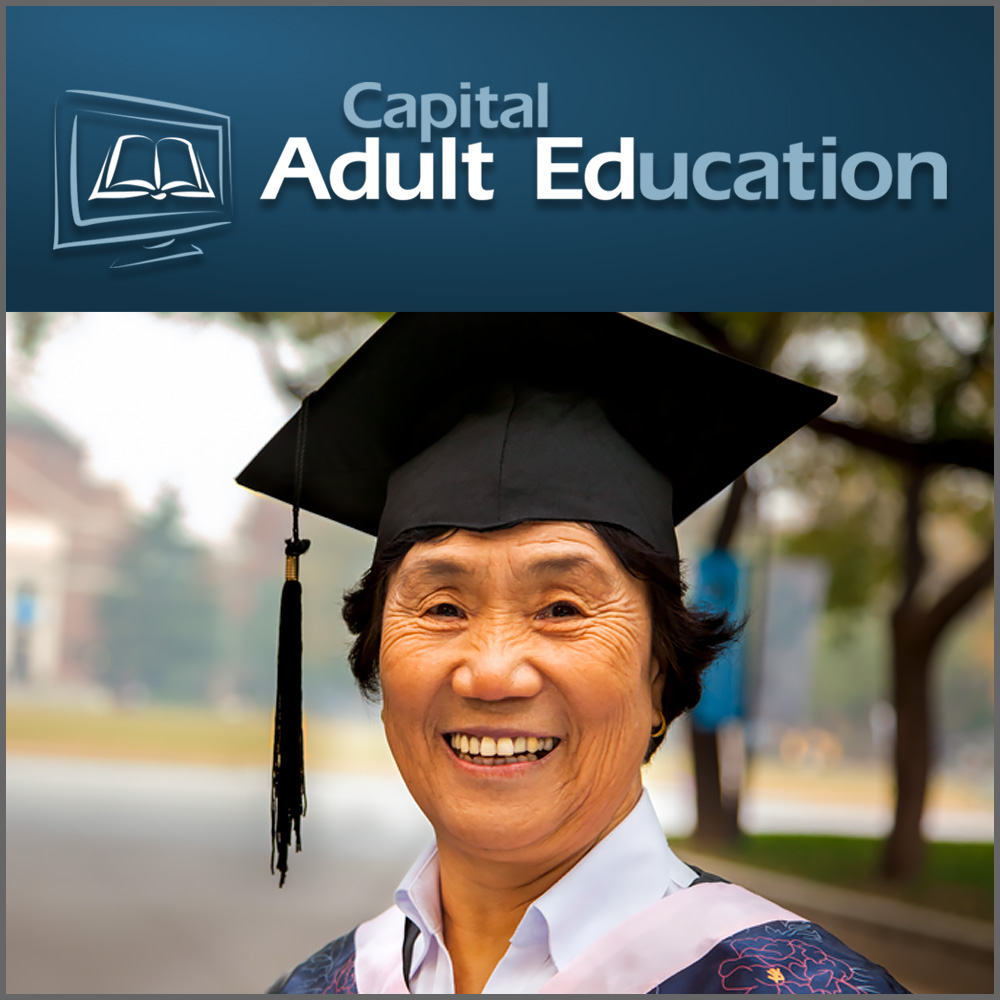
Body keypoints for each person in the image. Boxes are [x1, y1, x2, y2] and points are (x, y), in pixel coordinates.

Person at [238, 313, 908, 994]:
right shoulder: (322, 987)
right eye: (443, 608)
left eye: (562, 609)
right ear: (379, 654)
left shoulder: (796, 988)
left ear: (660, 673)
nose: (492, 671)